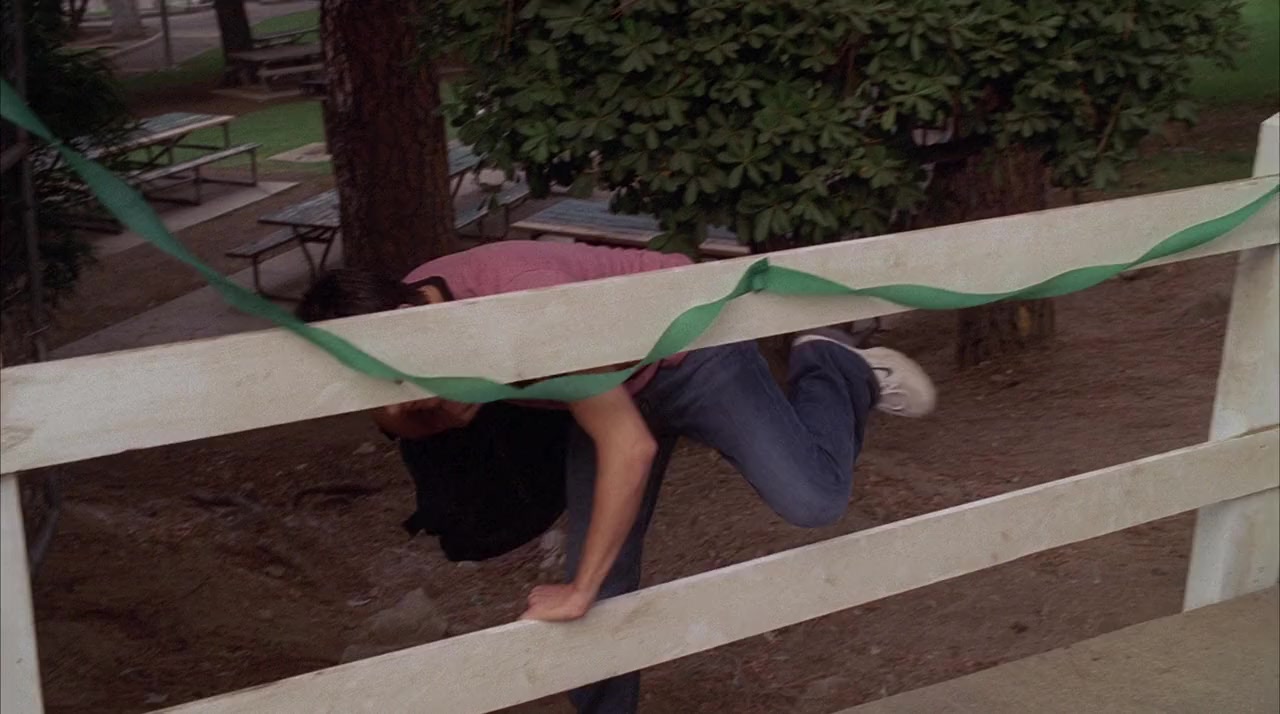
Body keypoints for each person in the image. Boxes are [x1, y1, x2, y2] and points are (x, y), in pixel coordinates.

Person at [296, 240, 936, 714]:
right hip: (601, 390)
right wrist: (429, 410)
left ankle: (831, 362)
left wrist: (579, 589)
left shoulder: (522, 306)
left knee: (812, 498)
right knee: (600, 591)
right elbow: (396, 416)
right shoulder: (391, 320)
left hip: (691, 346)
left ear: (409, 313)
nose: (404, 398)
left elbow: (628, 446)